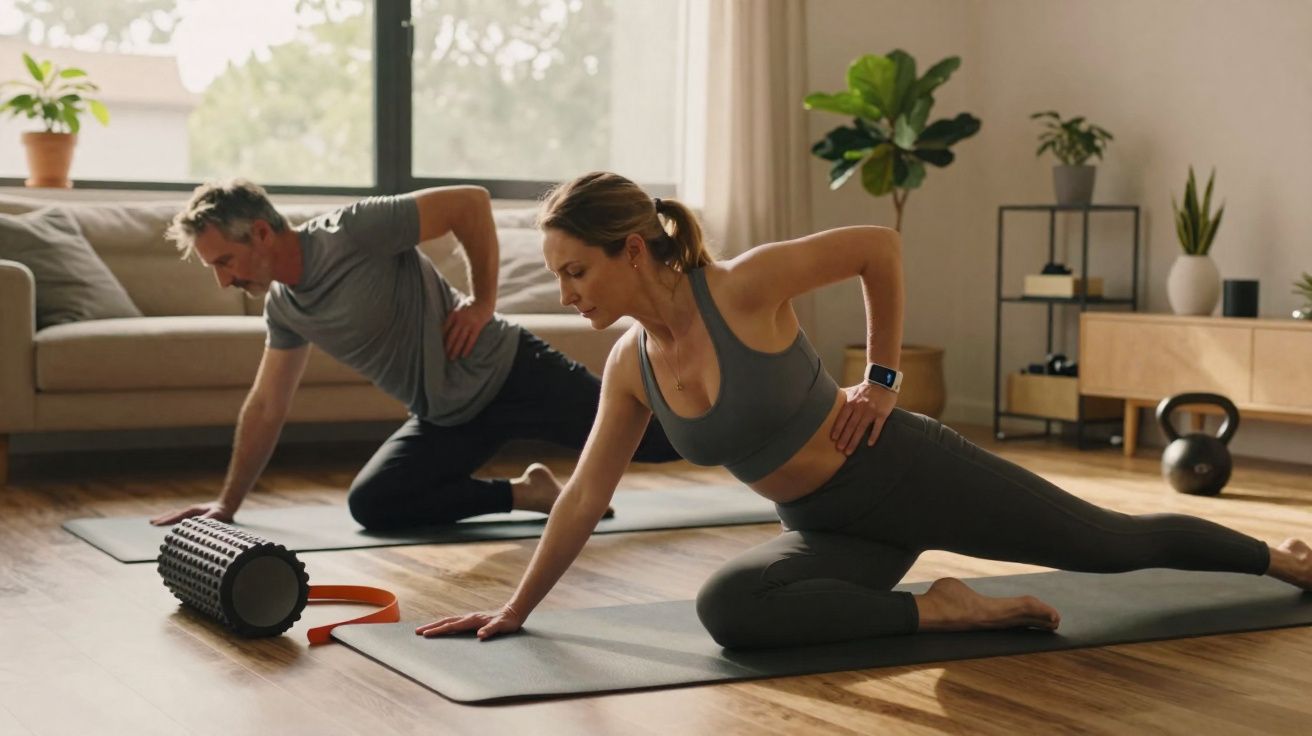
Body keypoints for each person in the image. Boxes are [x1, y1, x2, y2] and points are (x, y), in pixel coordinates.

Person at [415, 171, 1312, 649]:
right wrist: (515, 612)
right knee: (732, 608)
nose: (567, 291)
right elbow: (579, 498)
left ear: (634, 248)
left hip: (906, 472)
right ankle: (948, 612)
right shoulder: (628, 366)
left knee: (1114, 548)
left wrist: (882, 377)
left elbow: (877, 246)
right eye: (561, 274)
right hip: (831, 527)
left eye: (577, 271)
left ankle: (1283, 558)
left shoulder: (740, 285)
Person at [150, 179, 680, 531]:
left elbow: (468, 203)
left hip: (512, 372)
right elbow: (266, 406)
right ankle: (527, 494)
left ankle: (742, 417)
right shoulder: (285, 308)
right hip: (448, 415)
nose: (223, 280)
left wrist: (482, 303)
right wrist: (227, 505)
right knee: (374, 504)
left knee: (666, 442)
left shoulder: (352, 232)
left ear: (261, 233)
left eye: (225, 261)